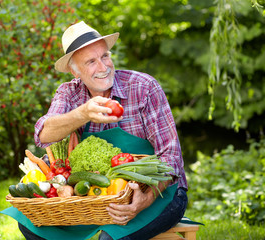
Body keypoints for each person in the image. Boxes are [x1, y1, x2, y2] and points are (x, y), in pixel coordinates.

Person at [21, 21, 188, 240]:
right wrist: (83, 114)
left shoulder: (143, 87)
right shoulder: (69, 93)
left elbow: (172, 157)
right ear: (75, 70)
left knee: (109, 239)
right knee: (32, 225)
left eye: (105, 56)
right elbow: (43, 134)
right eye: (91, 61)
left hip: (160, 193)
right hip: (98, 199)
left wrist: (144, 199)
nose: (103, 67)